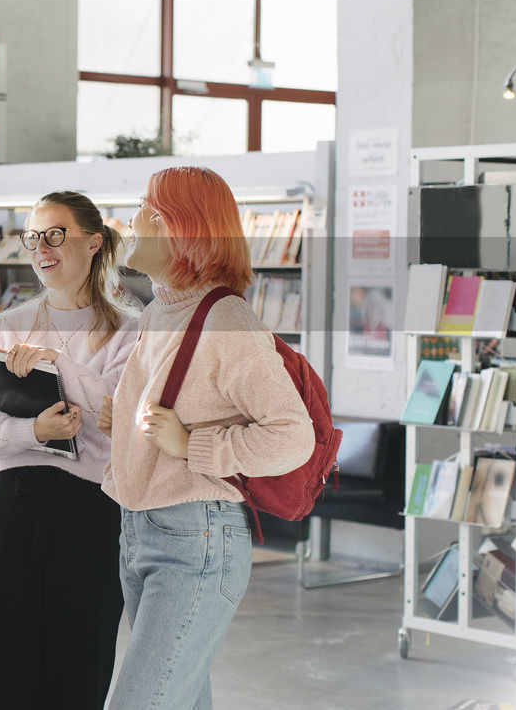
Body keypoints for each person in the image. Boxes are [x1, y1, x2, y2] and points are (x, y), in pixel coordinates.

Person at [100, 166, 314, 710]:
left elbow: (293, 436)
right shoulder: (161, 311)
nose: (132, 220)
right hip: (141, 530)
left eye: (146, 209)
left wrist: (194, 446)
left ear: (179, 226)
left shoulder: (227, 318)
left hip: (195, 539)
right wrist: (121, 421)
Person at [0, 190, 140, 710]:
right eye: (34, 236)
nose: (42, 247)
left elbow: (124, 421)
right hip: (11, 504)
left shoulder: (130, 331)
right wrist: (33, 432)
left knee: (81, 657)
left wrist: (59, 366)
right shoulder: (3, 328)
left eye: (56, 234)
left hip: (93, 512)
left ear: (95, 242)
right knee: (1, 659)